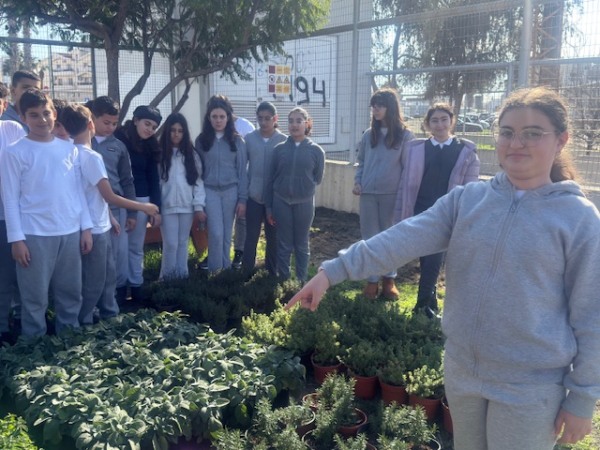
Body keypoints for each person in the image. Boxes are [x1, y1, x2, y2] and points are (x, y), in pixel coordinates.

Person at [287, 87, 600, 450]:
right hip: (463, 373)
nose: (517, 143)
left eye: (532, 133)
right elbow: (402, 238)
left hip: (531, 388)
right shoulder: (468, 200)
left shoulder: (578, 219)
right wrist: (334, 271)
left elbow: (591, 317)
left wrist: (582, 399)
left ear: (561, 140)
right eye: (507, 132)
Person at [0, 89, 93, 337]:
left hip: (70, 232)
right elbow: (10, 198)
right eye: (34, 115)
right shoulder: (14, 152)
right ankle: (34, 346)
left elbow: (78, 192)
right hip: (34, 235)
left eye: (46, 113)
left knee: (70, 292)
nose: (42, 120)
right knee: (34, 298)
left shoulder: (69, 149)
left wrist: (86, 228)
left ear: (54, 114)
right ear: (22, 118)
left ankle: (69, 340)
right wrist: (17, 239)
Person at [60, 104, 159, 325]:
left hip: (96, 222)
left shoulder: (68, 152)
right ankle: (85, 322)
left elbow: (90, 194)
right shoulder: (91, 156)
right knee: (96, 280)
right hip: (94, 228)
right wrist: (143, 207)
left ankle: (108, 315)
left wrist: (112, 218)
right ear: (91, 123)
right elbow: (109, 196)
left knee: (106, 274)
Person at [394, 103, 480, 316]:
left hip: (446, 214)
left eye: (444, 119)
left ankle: (422, 306)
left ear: (452, 121)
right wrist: (401, 212)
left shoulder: (465, 151)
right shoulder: (416, 149)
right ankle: (430, 303)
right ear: (427, 124)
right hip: (420, 210)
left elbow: (471, 188)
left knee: (433, 257)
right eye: (434, 120)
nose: (440, 124)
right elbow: (405, 183)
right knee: (426, 256)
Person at [353, 88, 414, 300]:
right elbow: (361, 162)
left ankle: (389, 280)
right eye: (373, 106)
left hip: (392, 196)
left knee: (390, 238)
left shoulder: (405, 136)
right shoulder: (369, 135)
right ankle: (372, 282)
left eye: (379, 105)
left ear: (391, 107)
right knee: (370, 238)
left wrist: (404, 196)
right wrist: (358, 182)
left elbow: (408, 169)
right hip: (368, 194)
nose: (375, 110)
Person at [85, 96, 137, 304]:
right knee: (94, 258)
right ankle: (94, 302)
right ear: (93, 118)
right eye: (106, 122)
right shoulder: (82, 143)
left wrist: (132, 213)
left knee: (117, 256)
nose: (111, 128)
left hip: (117, 208)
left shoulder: (119, 146)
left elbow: (127, 181)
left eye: (114, 123)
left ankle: (116, 298)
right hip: (89, 210)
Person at [266, 107, 325, 283]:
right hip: (281, 202)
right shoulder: (278, 150)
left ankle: (301, 282)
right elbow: (271, 179)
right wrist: (269, 208)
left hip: (304, 203)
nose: (294, 125)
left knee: (301, 244)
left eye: (299, 121)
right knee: (283, 244)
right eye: (291, 121)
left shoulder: (316, 151)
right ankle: (284, 281)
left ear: (307, 124)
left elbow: (317, 178)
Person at [114, 105, 162, 302]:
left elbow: (154, 178)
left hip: (142, 200)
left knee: (135, 246)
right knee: (119, 248)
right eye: (147, 124)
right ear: (135, 120)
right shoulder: (118, 138)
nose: (149, 130)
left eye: (154, 127)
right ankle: (119, 287)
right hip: (119, 199)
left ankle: (136, 285)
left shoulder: (150, 146)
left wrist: (156, 208)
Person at [195, 95, 248, 272]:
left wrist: (242, 199)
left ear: (228, 117)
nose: (218, 120)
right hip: (210, 191)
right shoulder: (202, 140)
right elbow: (198, 172)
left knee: (226, 235)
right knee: (216, 233)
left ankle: (225, 271)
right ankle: (214, 270)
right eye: (214, 116)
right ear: (208, 118)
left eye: (222, 117)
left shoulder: (237, 141)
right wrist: (198, 201)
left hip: (231, 191)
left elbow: (242, 172)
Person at [158, 112, 206, 279]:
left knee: (182, 242)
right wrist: (156, 206)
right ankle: (167, 279)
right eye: (173, 130)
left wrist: (198, 206)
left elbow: (198, 182)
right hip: (167, 206)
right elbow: (156, 182)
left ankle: (182, 278)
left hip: (187, 206)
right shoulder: (160, 155)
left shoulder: (192, 155)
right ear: (167, 131)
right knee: (170, 243)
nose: (176, 134)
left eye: (180, 131)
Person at [241, 102, 287, 275]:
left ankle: (271, 272)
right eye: (260, 118)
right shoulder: (250, 139)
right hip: (253, 196)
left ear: (275, 119)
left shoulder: (283, 141)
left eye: (267, 118)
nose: (263, 122)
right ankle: (246, 271)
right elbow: (242, 166)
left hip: (274, 199)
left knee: (273, 237)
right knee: (251, 236)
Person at [0, 81, 26, 343]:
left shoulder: (12, 129)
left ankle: (20, 319)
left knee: (16, 271)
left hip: (12, 216)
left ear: (4, 104)